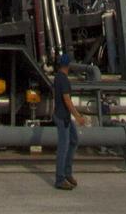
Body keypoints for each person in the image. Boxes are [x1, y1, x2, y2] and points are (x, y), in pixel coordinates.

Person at [53, 52, 86, 190]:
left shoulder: (58, 77)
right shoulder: (63, 79)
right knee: (63, 147)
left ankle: (67, 173)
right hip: (63, 117)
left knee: (73, 140)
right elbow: (67, 100)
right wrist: (77, 116)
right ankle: (60, 179)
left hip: (63, 116)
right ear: (68, 65)